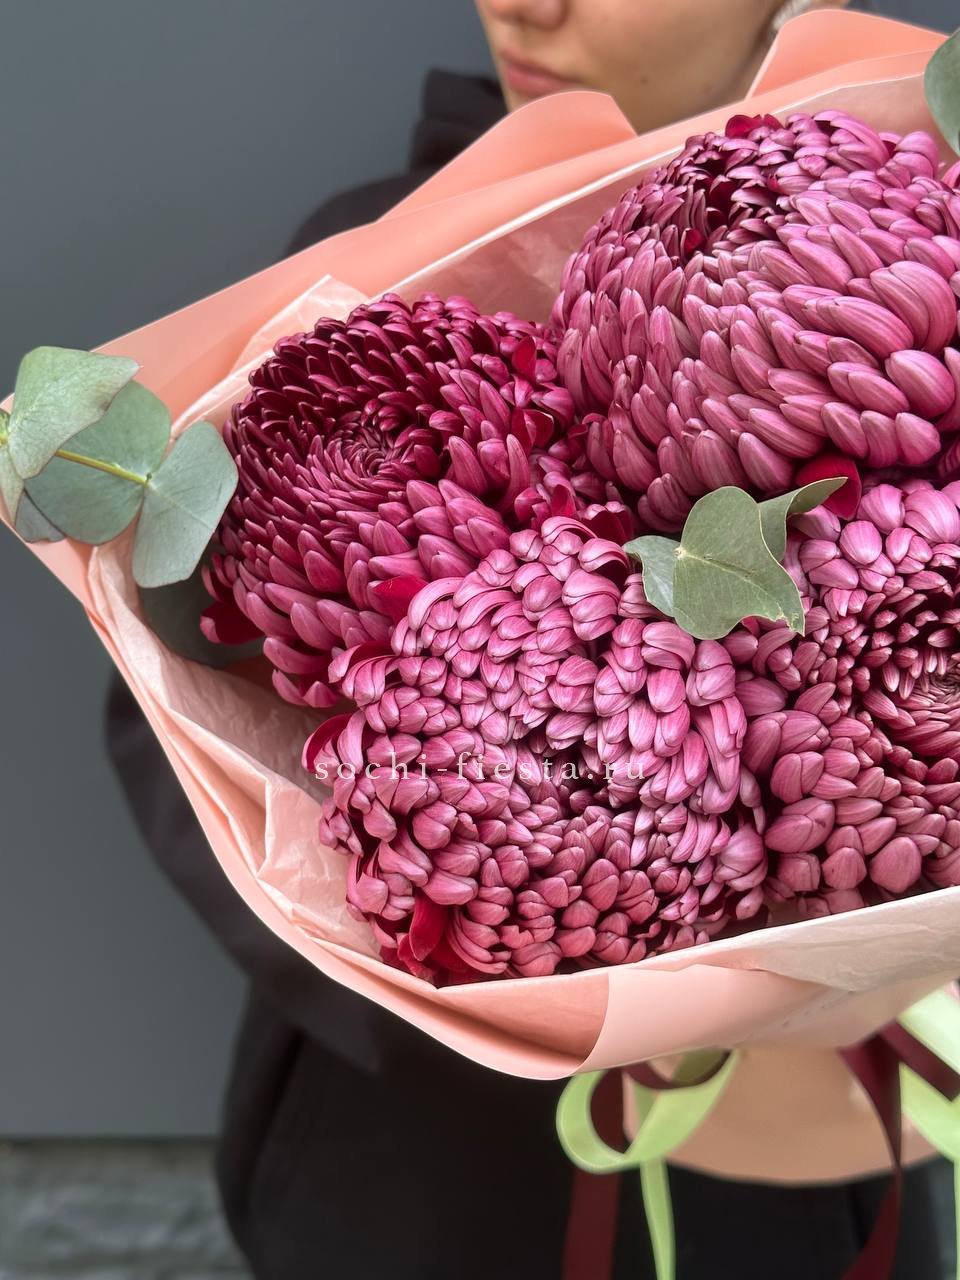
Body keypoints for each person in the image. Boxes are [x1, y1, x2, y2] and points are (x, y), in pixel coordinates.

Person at [107, 1, 954, 1276]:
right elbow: (169, 710)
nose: (525, 3)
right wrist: (500, 1011)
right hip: (405, 1179)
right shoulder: (354, 272)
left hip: (786, 1213)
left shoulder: (878, 229)